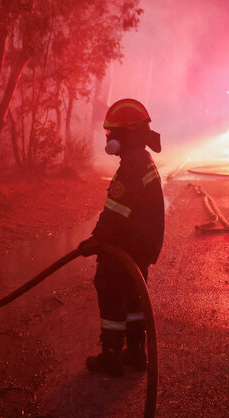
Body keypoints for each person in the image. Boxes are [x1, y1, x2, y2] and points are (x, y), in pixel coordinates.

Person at [78, 98, 165, 377]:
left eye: (111, 132)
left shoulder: (132, 165)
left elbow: (117, 212)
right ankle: (136, 354)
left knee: (110, 290)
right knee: (134, 297)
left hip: (126, 246)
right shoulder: (140, 159)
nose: (109, 138)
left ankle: (113, 356)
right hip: (140, 245)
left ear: (126, 133)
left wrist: (98, 240)